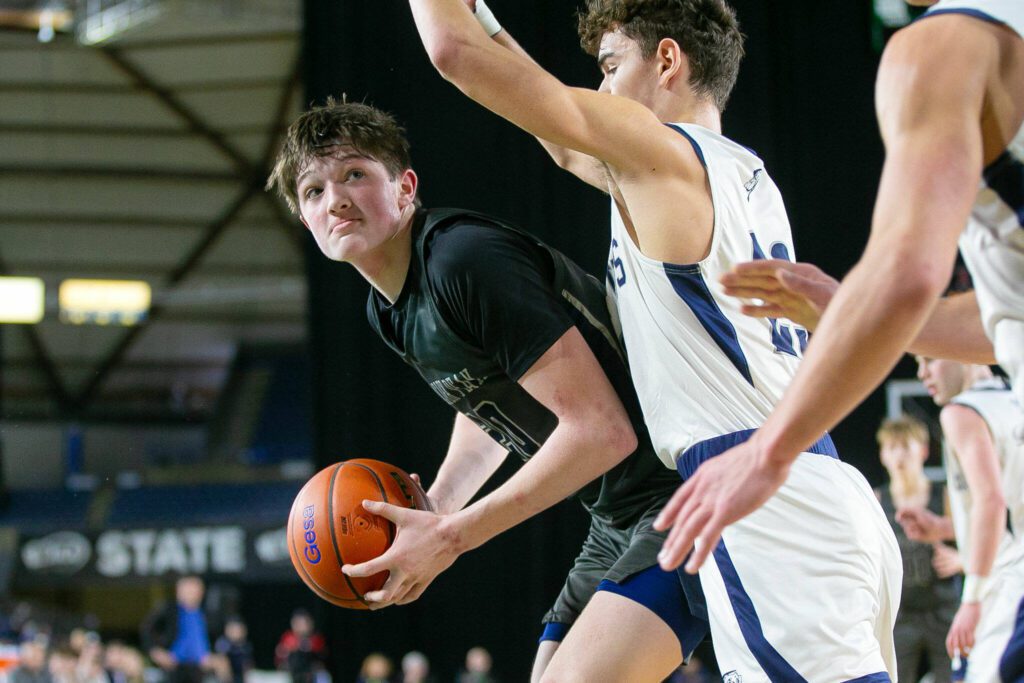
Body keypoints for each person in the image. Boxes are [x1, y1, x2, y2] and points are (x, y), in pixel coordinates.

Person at [402, 0, 900, 679]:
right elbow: (559, 138)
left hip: (766, 504)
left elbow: (454, 56)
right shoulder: (737, 172)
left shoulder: (664, 157)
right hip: (816, 490)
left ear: (667, 61)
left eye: (610, 67)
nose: (601, 89)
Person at [266, 100, 705, 683]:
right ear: (304, 219)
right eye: (313, 190)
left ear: (405, 187)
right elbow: (483, 403)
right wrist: (440, 506)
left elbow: (603, 432)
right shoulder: (387, 309)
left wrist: (452, 537)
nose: (336, 199)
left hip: (689, 486)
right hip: (616, 512)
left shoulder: (461, 260)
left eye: (354, 174)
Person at [652, 0, 1024, 584]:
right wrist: (853, 304)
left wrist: (769, 449)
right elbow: (1002, 319)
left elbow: (906, 276)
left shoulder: (946, 43)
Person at [896, 357, 1024, 683]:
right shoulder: (1014, 398)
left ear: (962, 355)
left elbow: (991, 502)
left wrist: (972, 599)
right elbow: (1010, 509)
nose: (922, 373)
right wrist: (945, 529)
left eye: (928, 360)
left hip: (1008, 585)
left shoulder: (961, 412)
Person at [876, 416, 958, 683]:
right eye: (892, 447)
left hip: (944, 607)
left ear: (923, 450)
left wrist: (962, 560)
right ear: (882, 455)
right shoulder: (877, 499)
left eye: (905, 446)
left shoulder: (944, 496)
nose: (899, 455)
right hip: (901, 612)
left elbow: (983, 539)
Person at [140, 576, 217, 683]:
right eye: (186, 590)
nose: (189, 593)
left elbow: (218, 636)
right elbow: (147, 628)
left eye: (193, 590)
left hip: (200, 667)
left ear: (201, 592)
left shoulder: (208, 613)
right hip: (174, 665)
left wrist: (214, 656)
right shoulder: (169, 610)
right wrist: (155, 651)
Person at [274, 610, 326, 683]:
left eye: (303, 623)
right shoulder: (288, 637)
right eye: (297, 623)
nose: (300, 626)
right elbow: (280, 657)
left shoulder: (316, 638)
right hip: (292, 673)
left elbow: (322, 655)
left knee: (322, 675)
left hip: (312, 674)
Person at [214, 618, 252, 683]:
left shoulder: (246, 645)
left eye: (238, 629)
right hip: (224, 677)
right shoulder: (223, 643)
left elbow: (247, 665)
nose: (235, 632)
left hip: (239, 675)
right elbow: (221, 662)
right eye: (233, 629)